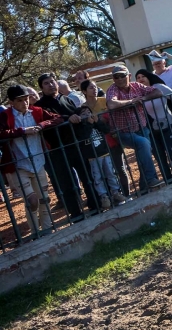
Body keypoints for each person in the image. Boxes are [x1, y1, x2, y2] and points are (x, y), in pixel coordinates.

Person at [0, 84, 62, 235]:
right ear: (12, 102)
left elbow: (58, 118)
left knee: (44, 199)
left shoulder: (37, 111)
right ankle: (35, 232)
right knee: (32, 201)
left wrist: (42, 124)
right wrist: (22, 131)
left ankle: (47, 231)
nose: (25, 103)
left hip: (38, 161)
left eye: (26, 99)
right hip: (19, 165)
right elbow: (1, 133)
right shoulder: (5, 115)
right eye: (20, 100)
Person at [36, 73, 100, 218]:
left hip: (76, 145)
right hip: (57, 149)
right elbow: (49, 120)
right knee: (67, 184)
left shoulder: (66, 99)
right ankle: (76, 214)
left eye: (52, 81)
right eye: (46, 83)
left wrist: (81, 112)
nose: (51, 85)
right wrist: (68, 118)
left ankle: (95, 206)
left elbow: (74, 113)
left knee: (87, 177)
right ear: (41, 87)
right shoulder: (39, 106)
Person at [105, 66, 165, 191]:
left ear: (129, 76)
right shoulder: (113, 89)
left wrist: (143, 98)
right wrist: (131, 101)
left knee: (143, 155)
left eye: (122, 75)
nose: (120, 79)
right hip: (122, 132)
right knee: (143, 144)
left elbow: (158, 92)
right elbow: (111, 103)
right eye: (116, 77)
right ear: (113, 79)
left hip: (141, 127)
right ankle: (151, 179)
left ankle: (144, 188)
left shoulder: (137, 86)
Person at [76, 88, 127, 210]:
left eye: (88, 113)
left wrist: (96, 121)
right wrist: (88, 123)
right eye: (83, 114)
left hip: (104, 153)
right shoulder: (81, 128)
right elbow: (84, 136)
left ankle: (116, 192)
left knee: (111, 173)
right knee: (97, 177)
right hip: (93, 157)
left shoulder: (96, 122)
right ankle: (103, 196)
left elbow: (106, 129)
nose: (87, 115)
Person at [135, 70, 172, 181]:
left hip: (168, 123)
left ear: (149, 77)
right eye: (138, 77)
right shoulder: (137, 93)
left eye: (143, 76)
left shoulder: (158, 87)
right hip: (150, 129)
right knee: (159, 155)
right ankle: (168, 178)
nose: (141, 79)